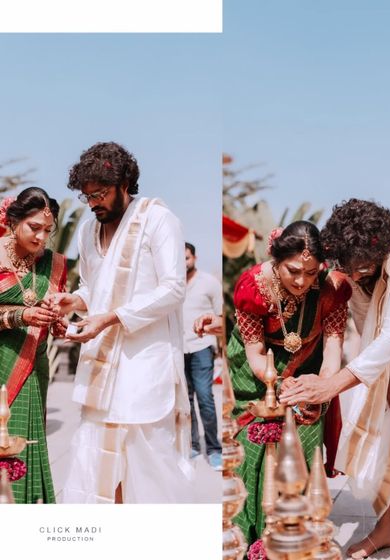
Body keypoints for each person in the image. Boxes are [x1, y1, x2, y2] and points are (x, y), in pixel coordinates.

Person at [52, 141, 193, 504]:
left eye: (99, 194)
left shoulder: (158, 220)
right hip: (101, 368)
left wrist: (112, 318)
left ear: (124, 184)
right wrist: (74, 301)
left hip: (143, 363)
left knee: (145, 462)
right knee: (95, 460)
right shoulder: (88, 230)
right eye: (87, 196)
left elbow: (174, 288)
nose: (92, 203)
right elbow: (92, 288)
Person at [280, 199, 390, 559]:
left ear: (380, 248)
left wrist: (333, 384)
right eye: (347, 269)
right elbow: (365, 317)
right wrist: (383, 379)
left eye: (361, 268)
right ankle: (386, 528)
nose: (355, 277)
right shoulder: (356, 267)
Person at [227, 220, 352, 544]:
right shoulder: (253, 287)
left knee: (305, 437)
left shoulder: (332, 288)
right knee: (256, 443)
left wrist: (320, 389)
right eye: (293, 271)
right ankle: (253, 537)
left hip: (309, 369)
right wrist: (277, 384)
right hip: (257, 374)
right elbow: (255, 353)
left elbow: (333, 348)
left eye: (311, 273)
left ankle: (299, 535)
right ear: (276, 259)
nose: (302, 281)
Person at [0, 187, 67, 503]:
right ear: (14, 221)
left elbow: (53, 309)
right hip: (3, 360)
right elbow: (25, 312)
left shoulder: (53, 264)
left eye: (47, 230)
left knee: (25, 438)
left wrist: (57, 323)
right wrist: (21, 315)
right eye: (34, 227)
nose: (41, 238)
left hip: (31, 365)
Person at [184, 242, 223, 470]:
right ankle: (193, 445)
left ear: (195, 258)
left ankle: (214, 449)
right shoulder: (172, 284)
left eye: (186, 258)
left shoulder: (209, 282)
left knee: (205, 397)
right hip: (178, 348)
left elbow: (221, 315)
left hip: (202, 346)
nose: (183, 263)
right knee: (186, 400)